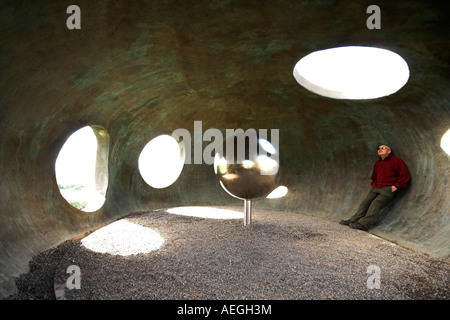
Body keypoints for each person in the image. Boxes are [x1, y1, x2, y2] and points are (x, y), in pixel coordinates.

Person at [340, 145, 410, 231]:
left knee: (375, 204)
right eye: (379, 148)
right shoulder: (378, 163)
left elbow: (405, 176)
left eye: (383, 148)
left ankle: (364, 224)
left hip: (388, 189)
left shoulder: (397, 161)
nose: (380, 149)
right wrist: (374, 183)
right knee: (365, 203)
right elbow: (374, 176)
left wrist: (396, 186)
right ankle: (354, 219)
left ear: (389, 151)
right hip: (376, 188)